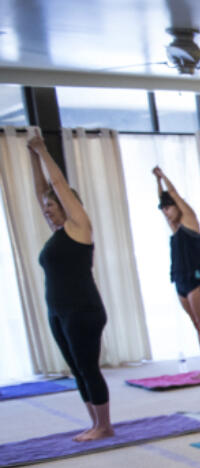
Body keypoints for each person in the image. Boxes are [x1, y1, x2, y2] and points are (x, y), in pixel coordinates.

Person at [29, 131, 112, 441]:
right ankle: (94, 423)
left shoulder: (79, 228)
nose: (47, 209)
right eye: (47, 207)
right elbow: (41, 191)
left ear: (68, 205)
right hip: (59, 311)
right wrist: (30, 157)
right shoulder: (57, 234)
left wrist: (42, 150)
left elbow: (58, 186)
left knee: (88, 367)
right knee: (77, 369)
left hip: (83, 310)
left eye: (52, 205)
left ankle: (105, 426)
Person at [154, 167, 200, 379]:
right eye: (163, 209)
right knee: (197, 326)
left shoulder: (190, 221)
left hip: (196, 280)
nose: (166, 212)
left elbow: (175, 196)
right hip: (180, 280)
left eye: (169, 208)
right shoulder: (174, 229)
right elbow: (164, 200)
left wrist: (164, 177)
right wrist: (157, 183)